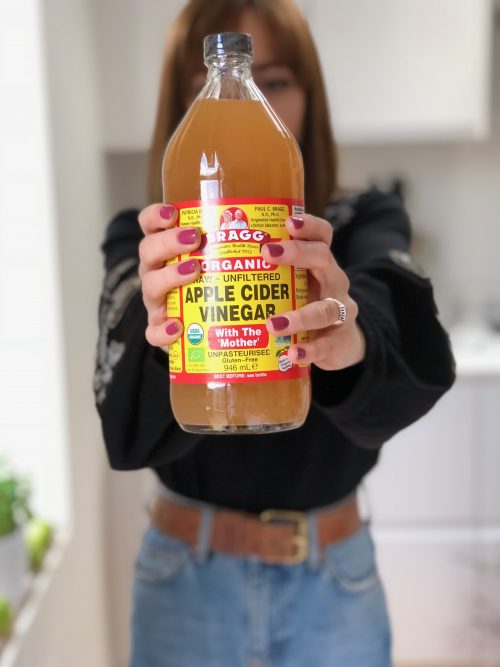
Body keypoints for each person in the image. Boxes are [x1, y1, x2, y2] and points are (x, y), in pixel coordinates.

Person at [93, 1, 456, 665]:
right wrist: (154, 326)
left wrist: (347, 337)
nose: (248, 100)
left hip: (333, 583)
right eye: (220, 84)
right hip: (184, 580)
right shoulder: (145, 240)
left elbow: (412, 348)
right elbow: (123, 427)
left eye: (276, 79)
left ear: (310, 96)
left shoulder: (360, 219)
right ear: (183, 103)